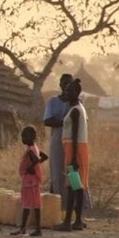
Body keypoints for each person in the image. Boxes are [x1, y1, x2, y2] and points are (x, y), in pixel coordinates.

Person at [56, 78, 90, 231]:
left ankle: (68, 221)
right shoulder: (77, 108)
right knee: (78, 185)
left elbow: (75, 135)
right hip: (76, 148)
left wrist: (74, 158)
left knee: (72, 185)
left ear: (77, 93)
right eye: (66, 90)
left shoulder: (75, 110)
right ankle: (77, 221)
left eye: (69, 91)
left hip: (74, 148)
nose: (66, 93)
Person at [12, 126, 49, 237]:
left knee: (27, 204)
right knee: (36, 204)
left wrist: (31, 167)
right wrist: (35, 165)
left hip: (29, 181)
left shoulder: (30, 150)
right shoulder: (35, 148)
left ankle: (23, 228)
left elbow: (37, 159)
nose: (22, 138)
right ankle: (37, 229)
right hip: (34, 180)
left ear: (32, 137)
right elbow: (44, 157)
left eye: (25, 136)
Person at [43, 73, 73, 206]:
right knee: (57, 169)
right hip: (57, 138)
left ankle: (71, 202)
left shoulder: (76, 102)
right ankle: (57, 200)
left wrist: (59, 121)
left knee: (71, 171)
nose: (66, 86)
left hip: (72, 140)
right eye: (64, 82)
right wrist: (66, 121)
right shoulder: (53, 101)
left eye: (69, 83)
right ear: (60, 84)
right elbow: (48, 120)